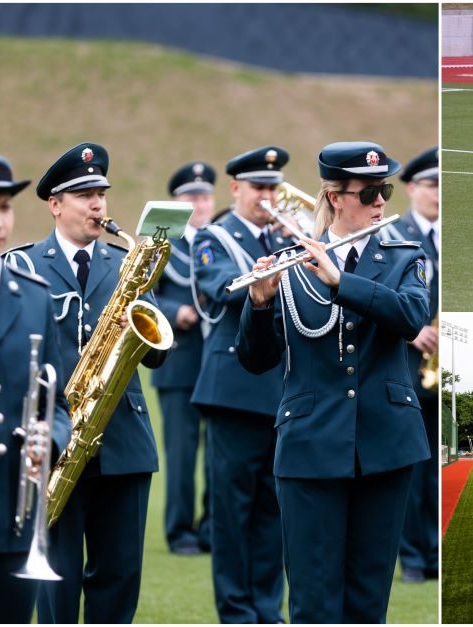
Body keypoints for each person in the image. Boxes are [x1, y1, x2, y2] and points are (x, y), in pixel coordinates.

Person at [236, 141, 431, 623]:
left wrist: (341, 283)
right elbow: (255, 360)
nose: (382, 201)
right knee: (313, 598)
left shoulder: (406, 255)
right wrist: (258, 305)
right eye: (369, 193)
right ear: (334, 195)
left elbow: (411, 316)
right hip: (309, 445)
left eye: (384, 189)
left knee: (368, 600)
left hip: (386, 445)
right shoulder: (290, 263)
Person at [6, 142, 166, 623]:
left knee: (119, 580)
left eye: (101, 193)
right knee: (57, 579)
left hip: (123, 442)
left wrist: (144, 302)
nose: (98, 204)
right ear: (55, 204)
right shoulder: (24, 265)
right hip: (55, 443)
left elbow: (156, 355)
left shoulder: (126, 264)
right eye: (84, 194)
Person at [0, 154, 71, 624]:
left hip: (15, 523)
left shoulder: (33, 295)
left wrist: (51, 439)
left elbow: (57, 404)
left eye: (4, 207)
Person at [190, 146, 287, 623]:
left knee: (274, 510)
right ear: (236, 189)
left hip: (280, 392)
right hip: (232, 393)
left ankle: (267, 608)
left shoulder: (286, 237)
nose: (267, 196)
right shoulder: (212, 237)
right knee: (231, 512)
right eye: (258, 188)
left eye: (273, 187)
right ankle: (235, 610)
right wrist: (275, 268)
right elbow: (221, 287)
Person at [152, 161, 217, 556]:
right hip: (179, 360)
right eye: (191, 196)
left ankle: (212, 527)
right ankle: (179, 531)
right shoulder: (162, 243)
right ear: (176, 201)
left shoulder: (221, 241)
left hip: (219, 362)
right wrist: (177, 312)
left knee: (218, 454)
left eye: (204, 195)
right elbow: (145, 293)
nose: (199, 202)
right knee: (180, 453)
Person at [387, 147, 440, 584]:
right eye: (431, 184)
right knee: (411, 472)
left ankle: (436, 552)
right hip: (404, 366)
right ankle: (415, 558)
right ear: (411, 188)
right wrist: (410, 329)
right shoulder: (394, 234)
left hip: (447, 368)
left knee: (442, 467)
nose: (439, 193)